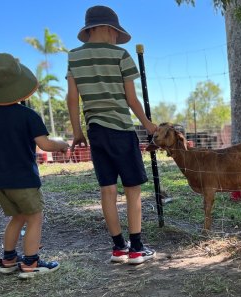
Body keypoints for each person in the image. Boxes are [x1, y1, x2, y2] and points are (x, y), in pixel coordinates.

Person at [67, 5, 157, 265]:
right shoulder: (121, 55)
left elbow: (73, 98)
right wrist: (149, 125)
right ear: (108, 29)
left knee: (107, 190)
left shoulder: (74, 57)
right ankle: (137, 248)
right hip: (121, 129)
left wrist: (77, 132)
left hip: (95, 131)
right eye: (117, 33)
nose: (118, 37)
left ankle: (118, 248)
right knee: (133, 190)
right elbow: (131, 99)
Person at [0, 53, 69, 279]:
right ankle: (31, 263)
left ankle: (8, 259)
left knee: (17, 218)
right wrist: (61, 144)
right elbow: (45, 144)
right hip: (23, 179)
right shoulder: (28, 115)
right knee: (34, 218)